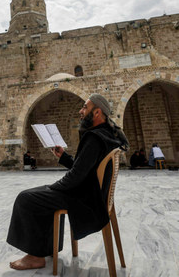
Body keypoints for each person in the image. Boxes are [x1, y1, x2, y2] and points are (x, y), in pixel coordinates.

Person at [7, 93, 129, 271]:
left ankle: (35, 256)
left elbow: (75, 177)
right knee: (40, 196)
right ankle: (45, 249)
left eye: (85, 107)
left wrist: (52, 188)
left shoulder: (94, 138)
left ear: (97, 112)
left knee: (26, 198)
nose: (81, 111)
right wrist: (63, 157)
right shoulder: (107, 134)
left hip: (85, 200)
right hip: (93, 196)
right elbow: (84, 170)